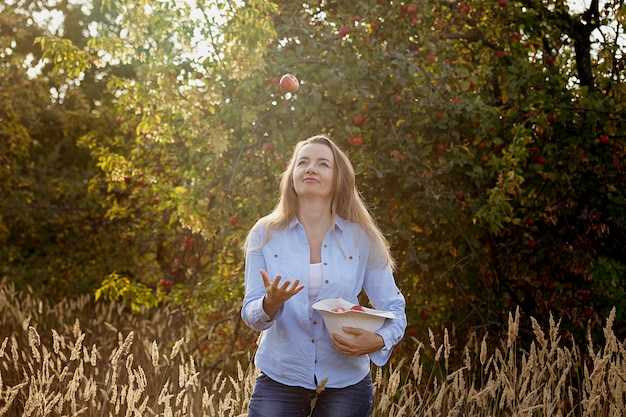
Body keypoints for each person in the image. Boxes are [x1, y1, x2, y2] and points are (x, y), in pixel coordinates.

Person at [241, 134, 407, 417]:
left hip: (346, 380)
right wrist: (270, 304)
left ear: (338, 178)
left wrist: (378, 341)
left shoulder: (361, 237)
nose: (310, 168)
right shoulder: (265, 233)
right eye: (302, 162)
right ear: (291, 176)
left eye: (322, 164)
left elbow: (394, 309)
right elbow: (251, 313)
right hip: (281, 376)